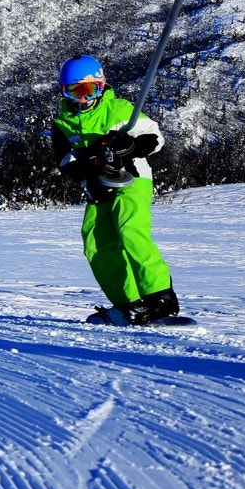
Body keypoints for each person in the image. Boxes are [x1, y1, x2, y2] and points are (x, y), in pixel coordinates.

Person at [51, 55, 180, 325]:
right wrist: (88, 174)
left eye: (90, 90)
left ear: (101, 86)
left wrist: (131, 147)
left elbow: (155, 137)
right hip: (98, 185)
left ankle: (158, 296)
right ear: (64, 91)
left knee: (129, 228)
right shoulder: (63, 123)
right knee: (96, 242)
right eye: (76, 91)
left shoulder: (120, 110)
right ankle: (128, 302)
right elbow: (65, 160)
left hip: (132, 178)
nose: (83, 99)